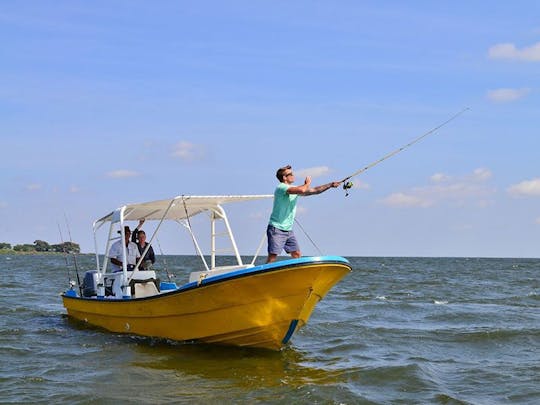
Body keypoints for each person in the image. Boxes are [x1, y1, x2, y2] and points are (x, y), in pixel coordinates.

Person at [266, 165, 340, 263]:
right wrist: (307, 183)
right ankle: (262, 276)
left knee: (296, 254)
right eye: (290, 174)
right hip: (276, 228)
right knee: (273, 256)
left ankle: (296, 276)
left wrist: (330, 185)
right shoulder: (281, 187)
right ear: (284, 177)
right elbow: (302, 190)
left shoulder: (293, 189)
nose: (293, 175)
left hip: (288, 229)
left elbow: (315, 191)